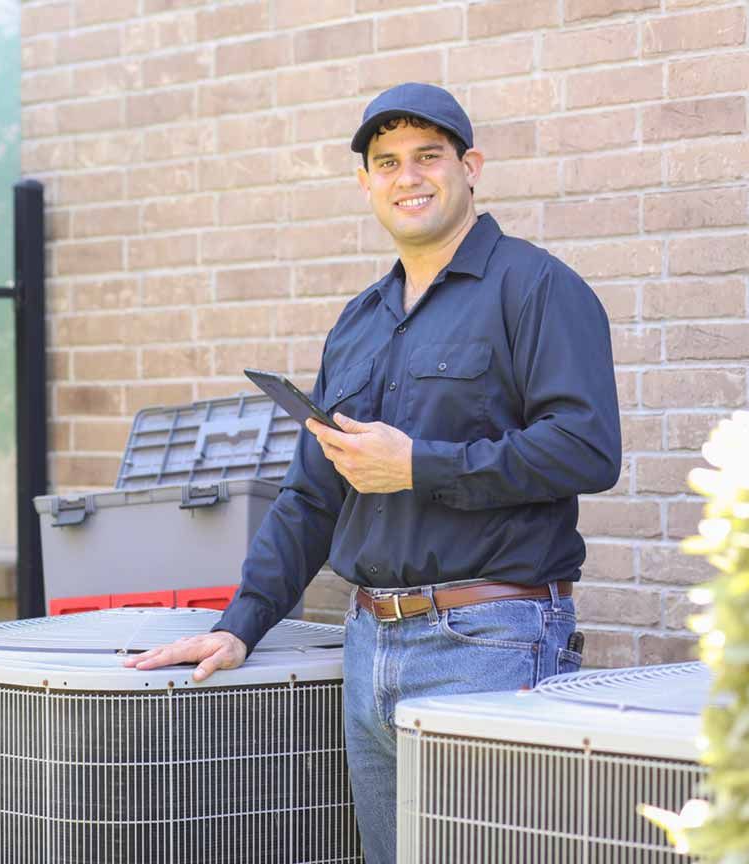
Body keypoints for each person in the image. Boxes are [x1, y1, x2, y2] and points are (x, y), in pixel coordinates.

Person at [125, 82, 621, 863]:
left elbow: (589, 449)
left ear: (471, 167)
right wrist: (237, 625)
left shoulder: (537, 288)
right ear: (365, 183)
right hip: (369, 647)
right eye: (386, 162)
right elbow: (312, 494)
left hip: (489, 639)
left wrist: (419, 465)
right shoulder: (360, 321)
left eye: (429, 155)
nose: (408, 176)